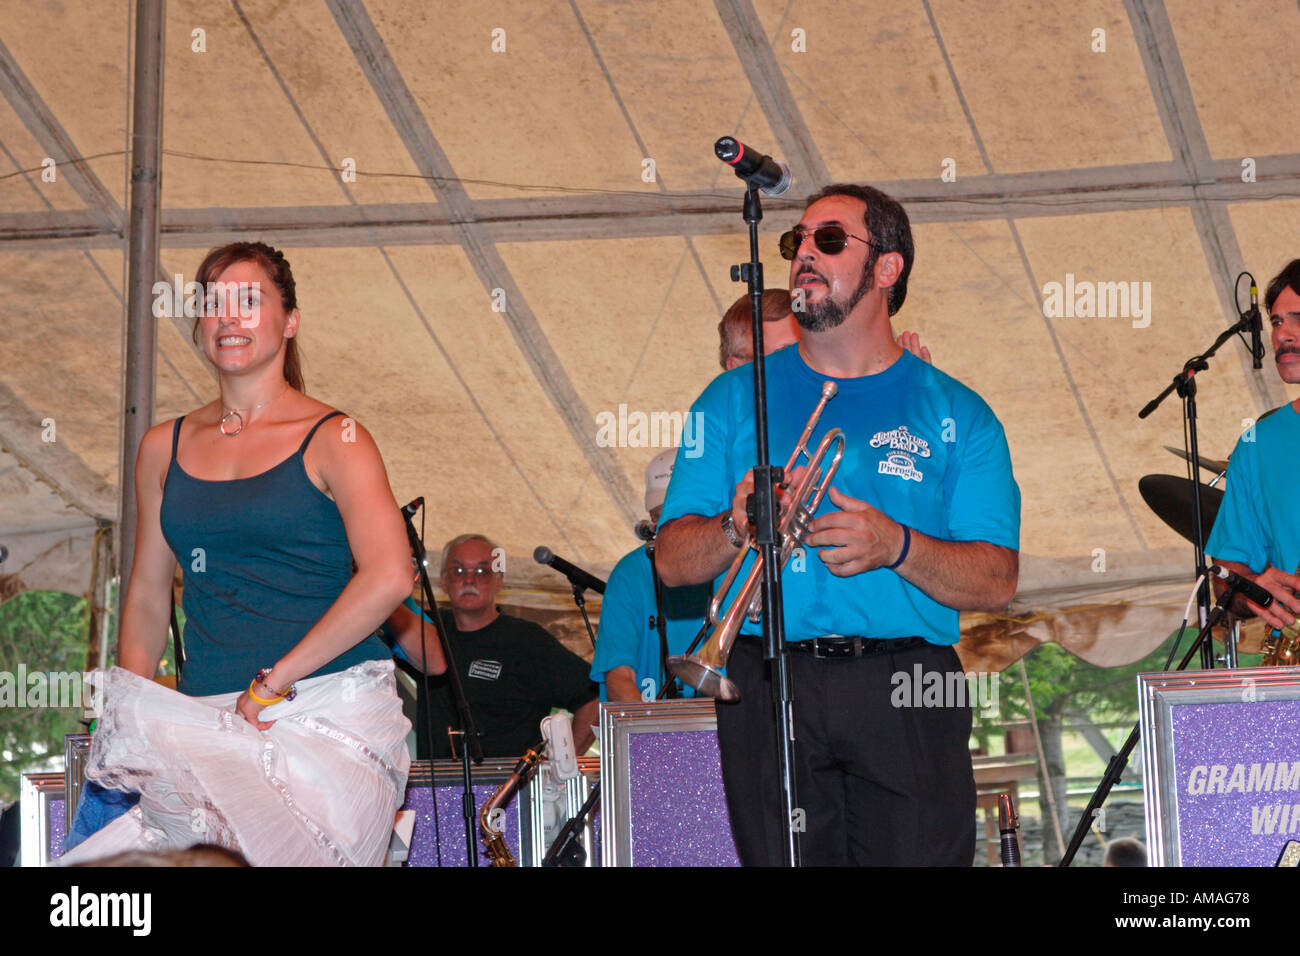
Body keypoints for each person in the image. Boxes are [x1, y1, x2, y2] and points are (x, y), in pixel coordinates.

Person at [656, 184, 1020, 866]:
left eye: (829, 240)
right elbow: (672, 562)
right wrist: (735, 526)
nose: (803, 257)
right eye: (796, 242)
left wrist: (898, 546)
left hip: (908, 681)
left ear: (888, 268)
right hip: (766, 676)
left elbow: (997, 579)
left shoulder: (960, 412)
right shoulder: (733, 398)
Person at [62, 241, 414, 867]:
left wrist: (271, 684)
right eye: (214, 303)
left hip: (327, 710)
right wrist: (130, 710)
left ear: (291, 320)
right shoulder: (161, 447)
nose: (230, 317)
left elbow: (390, 575)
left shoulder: (337, 437)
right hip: (207, 718)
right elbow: (146, 592)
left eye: (250, 301)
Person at [406, 533, 600, 759]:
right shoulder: (425, 630)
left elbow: (594, 698)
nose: (469, 580)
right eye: (458, 571)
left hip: (510, 790)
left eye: (482, 572)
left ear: (499, 580)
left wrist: (558, 768)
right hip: (437, 789)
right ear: (442, 581)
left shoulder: (526, 640)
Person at [1206, 259, 1300, 634]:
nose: (1282, 334)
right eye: (1277, 322)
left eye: (1298, 317)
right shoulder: (1257, 444)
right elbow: (1226, 578)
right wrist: (1251, 593)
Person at [590, 449, 711, 702]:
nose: (667, 526)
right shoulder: (629, 575)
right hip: (653, 726)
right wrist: (653, 738)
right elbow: (619, 678)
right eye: (659, 516)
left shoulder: (736, 564)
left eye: (680, 516)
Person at [719, 289, 932, 371]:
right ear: (738, 368)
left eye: (809, 349)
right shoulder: (716, 429)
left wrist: (915, 403)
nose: (805, 362)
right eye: (783, 354)